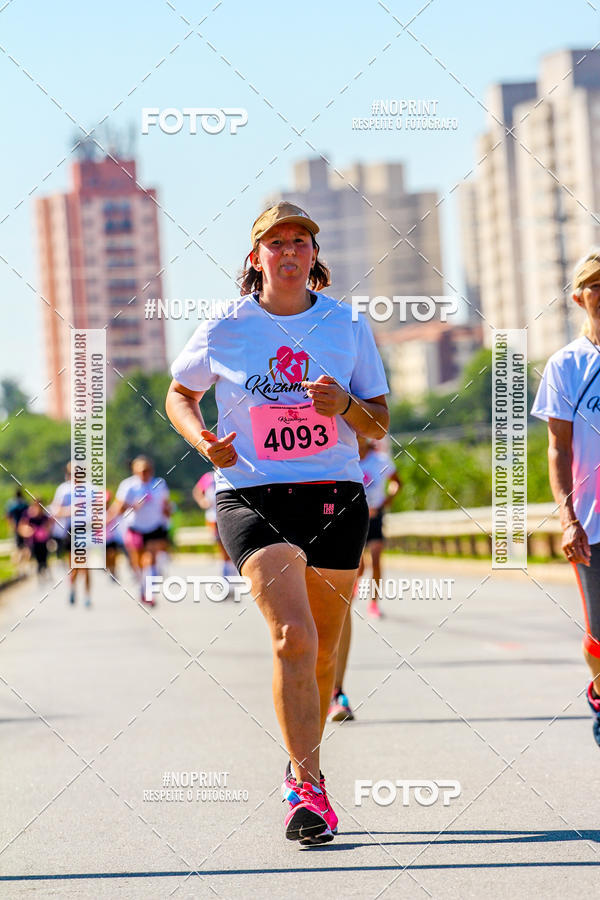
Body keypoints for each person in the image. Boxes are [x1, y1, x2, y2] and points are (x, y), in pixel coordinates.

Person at [166, 201, 390, 844]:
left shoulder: (345, 324)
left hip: (333, 493)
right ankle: (309, 788)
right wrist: (203, 441)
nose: (289, 251)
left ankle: (300, 760)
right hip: (252, 492)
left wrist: (345, 404)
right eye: (276, 242)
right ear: (256, 257)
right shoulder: (226, 325)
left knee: (320, 650)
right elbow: (181, 393)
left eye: (300, 241)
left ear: (314, 255)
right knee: (293, 636)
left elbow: (377, 424)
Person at [532, 248, 600, 747]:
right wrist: (568, 518)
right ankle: (599, 686)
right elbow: (558, 447)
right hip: (593, 524)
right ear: (580, 297)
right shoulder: (566, 366)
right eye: (596, 284)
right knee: (599, 639)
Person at [327, 435, 402, 723]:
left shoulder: (380, 459)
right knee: (357, 566)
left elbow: (397, 481)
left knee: (375, 560)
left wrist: (385, 502)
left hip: (371, 515)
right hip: (335, 512)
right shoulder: (336, 450)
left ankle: (336, 691)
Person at [109, 456, 171, 606]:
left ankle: (149, 592)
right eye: (142, 471)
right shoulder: (128, 486)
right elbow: (119, 506)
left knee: (149, 560)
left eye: (148, 470)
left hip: (154, 527)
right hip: (135, 528)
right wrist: (131, 507)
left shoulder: (159, 484)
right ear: (135, 471)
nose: (145, 473)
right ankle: (142, 586)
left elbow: (165, 504)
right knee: (137, 563)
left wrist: (168, 515)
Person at [50, 462, 92, 606]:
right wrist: (70, 510)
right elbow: (56, 511)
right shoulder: (64, 490)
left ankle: (87, 595)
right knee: (74, 566)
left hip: (86, 530)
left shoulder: (90, 489)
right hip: (70, 531)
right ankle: (73, 588)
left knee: (85, 565)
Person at [193, 470, 237, 590]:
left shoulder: (233, 473)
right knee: (222, 548)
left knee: (230, 549)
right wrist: (202, 501)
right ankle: (226, 579)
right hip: (213, 518)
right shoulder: (208, 477)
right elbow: (197, 491)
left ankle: (228, 579)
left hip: (230, 516)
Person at [18, 498, 51, 577]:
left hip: (43, 542)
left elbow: (48, 528)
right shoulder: (30, 516)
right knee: (37, 559)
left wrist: (45, 531)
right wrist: (28, 531)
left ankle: (43, 573)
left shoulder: (44, 516)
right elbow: (21, 528)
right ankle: (34, 573)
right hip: (33, 542)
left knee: (44, 560)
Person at [5, 488, 30, 571]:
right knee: (25, 546)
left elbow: (8, 516)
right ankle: (23, 565)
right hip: (24, 528)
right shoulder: (25, 504)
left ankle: (19, 566)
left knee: (18, 547)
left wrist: (11, 526)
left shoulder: (13, 504)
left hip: (16, 528)